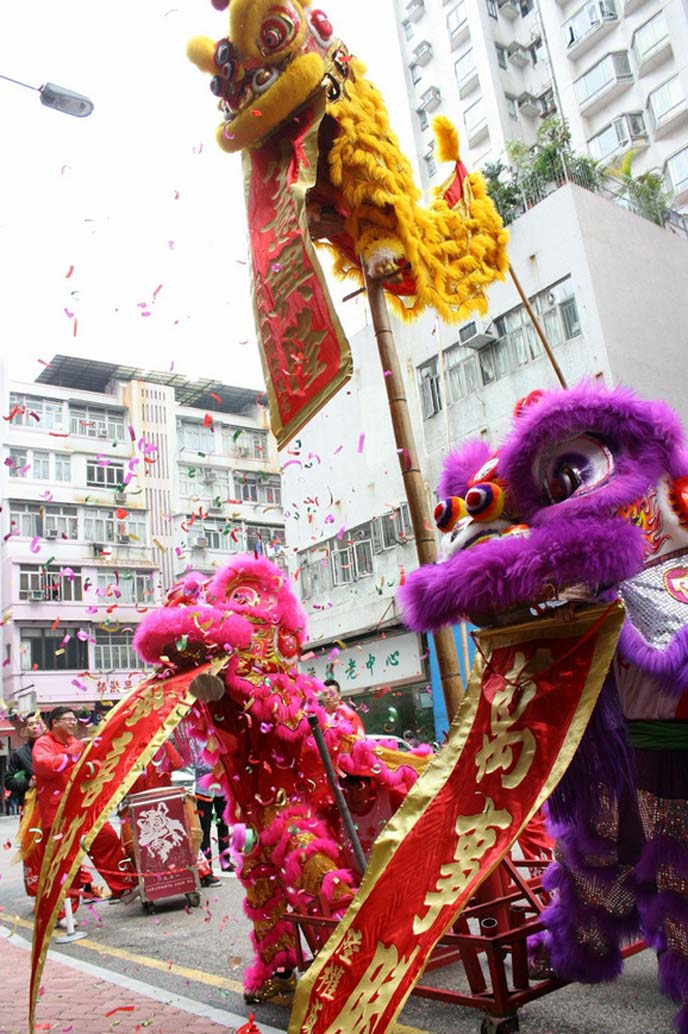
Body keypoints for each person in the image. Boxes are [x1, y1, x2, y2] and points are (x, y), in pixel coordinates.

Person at [32, 707, 139, 912]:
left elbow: (88, 771)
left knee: (107, 839)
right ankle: (63, 913)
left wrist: (96, 765)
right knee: (65, 865)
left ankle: (124, 887)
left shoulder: (75, 743)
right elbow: (48, 766)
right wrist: (75, 751)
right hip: (59, 816)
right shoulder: (43, 744)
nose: (73, 723)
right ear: (55, 722)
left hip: (85, 809)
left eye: (74, 720)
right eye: (68, 720)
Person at [190, 738, 230, 886]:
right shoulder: (194, 740)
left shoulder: (218, 736)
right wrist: (218, 763)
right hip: (203, 791)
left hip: (221, 789)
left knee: (223, 824)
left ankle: (225, 861)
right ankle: (207, 868)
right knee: (204, 829)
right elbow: (198, 764)